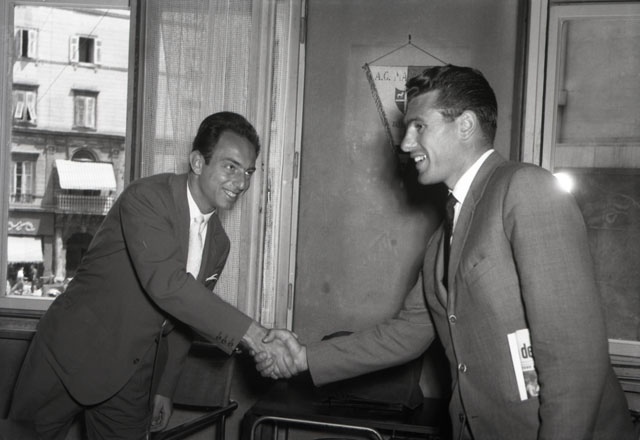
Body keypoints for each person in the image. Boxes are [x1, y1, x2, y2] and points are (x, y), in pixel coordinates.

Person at [258, 65, 636, 439]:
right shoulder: (443, 238)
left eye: (419, 126)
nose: (406, 144)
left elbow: (573, 357)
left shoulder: (526, 189)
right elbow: (406, 335)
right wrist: (304, 358)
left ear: (466, 125)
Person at [9, 112, 296, 439]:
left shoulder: (219, 243)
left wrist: (164, 387)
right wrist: (256, 336)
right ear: (197, 162)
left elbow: (185, 319)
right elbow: (168, 285)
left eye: (248, 172)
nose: (242, 183)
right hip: (69, 355)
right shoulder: (146, 198)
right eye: (231, 167)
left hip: (132, 374)